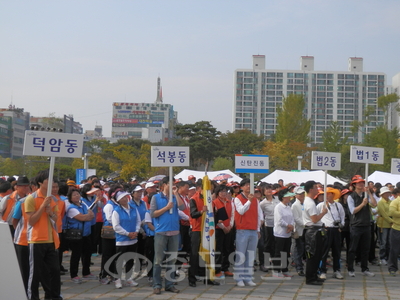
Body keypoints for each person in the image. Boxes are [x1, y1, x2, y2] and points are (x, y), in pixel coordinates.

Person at [25, 170, 62, 300]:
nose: (52, 183)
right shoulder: (31, 198)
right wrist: (42, 207)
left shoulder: (52, 198)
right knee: (35, 273)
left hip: (51, 240)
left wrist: (50, 212)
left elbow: (55, 217)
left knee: (54, 271)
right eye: (48, 180)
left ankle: (53, 296)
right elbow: (31, 221)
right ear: (40, 182)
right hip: (36, 240)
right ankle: (33, 297)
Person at [150, 176, 185, 295]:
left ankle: (169, 284)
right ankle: (157, 284)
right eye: (171, 184)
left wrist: (176, 195)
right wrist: (166, 208)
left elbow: (182, 207)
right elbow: (153, 214)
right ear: (164, 185)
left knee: (172, 259)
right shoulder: (156, 197)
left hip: (174, 232)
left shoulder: (175, 197)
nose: (173, 186)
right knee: (158, 260)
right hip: (161, 232)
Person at [234, 179, 263, 287]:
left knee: (251, 255)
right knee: (241, 255)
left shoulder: (256, 200)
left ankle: (248, 277)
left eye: (250, 185)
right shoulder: (237, 199)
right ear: (241, 187)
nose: (248, 187)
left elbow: (259, 215)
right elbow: (241, 211)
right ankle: (239, 278)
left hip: (253, 230)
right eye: (246, 185)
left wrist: (258, 229)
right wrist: (249, 201)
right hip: (242, 230)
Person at [347, 175, 377, 277]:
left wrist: (369, 193)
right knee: (353, 248)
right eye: (359, 183)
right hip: (356, 225)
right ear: (354, 184)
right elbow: (353, 211)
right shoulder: (351, 197)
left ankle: (365, 268)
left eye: (362, 182)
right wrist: (362, 204)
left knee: (366, 249)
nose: (361, 184)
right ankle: (350, 268)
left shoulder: (366, 195)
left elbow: (375, 204)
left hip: (366, 225)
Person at [112, 189, 141, 288]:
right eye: (122, 198)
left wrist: (136, 231)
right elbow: (116, 226)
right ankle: (117, 279)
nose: (125, 199)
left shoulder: (133, 208)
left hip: (133, 238)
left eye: (125, 197)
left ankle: (129, 278)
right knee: (119, 260)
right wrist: (127, 233)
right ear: (118, 200)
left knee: (131, 259)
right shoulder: (116, 211)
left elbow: (138, 221)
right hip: (122, 239)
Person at [66, 188, 95, 283]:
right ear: (70, 197)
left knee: (87, 254)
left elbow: (91, 215)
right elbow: (82, 218)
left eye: (77, 194)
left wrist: (86, 216)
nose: (77, 196)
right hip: (76, 235)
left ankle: (86, 272)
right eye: (74, 195)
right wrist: (86, 216)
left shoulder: (83, 205)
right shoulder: (71, 208)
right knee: (76, 255)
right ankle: (74, 275)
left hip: (86, 233)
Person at [302, 180, 328, 285]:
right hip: (312, 231)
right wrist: (323, 213)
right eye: (316, 187)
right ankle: (310, 278)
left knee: (317, 255)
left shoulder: (309, 201)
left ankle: (314, 275)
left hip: (314, 230)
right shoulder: (310, 202)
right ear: (311, 189)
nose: (318, 189)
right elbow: (314, 219)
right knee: (312, 255)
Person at [316, 187, 345, 280]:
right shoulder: (321, 205)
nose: (327, 196)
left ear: (333, 195)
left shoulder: (338, 205)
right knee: (324, 251)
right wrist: (321, 227)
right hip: (326, 230)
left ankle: (337, 270)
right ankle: (322, 270)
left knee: (337, 252)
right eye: (326, 194)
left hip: (336, 230)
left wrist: (341, 225)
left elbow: (342, 217)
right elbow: (316, 217)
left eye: (329, 194)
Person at [11, 176, 31, 294]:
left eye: (27, 185)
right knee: (23, 268)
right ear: (17, 187)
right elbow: (14, 220)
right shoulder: (20, 202)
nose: (26, 188)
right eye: (23, 186)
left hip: (33, 239)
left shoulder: (30, 199)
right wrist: (19, 231)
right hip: (22, 240)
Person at [272, 188, 295, 278]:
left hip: (287, 233)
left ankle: (285, 269)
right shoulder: (278, 207)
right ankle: (276, 270)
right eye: (287, 196)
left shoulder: (288, 207)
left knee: (286, 252)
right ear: (283, 197)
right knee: (278, 252)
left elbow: (292, 217)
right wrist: (288, 225)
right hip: (280, 233)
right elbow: (279, 220)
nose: (289, 198)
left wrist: (291, 226)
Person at [213, 184, 235, 278]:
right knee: (219, 249)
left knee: (227, 249)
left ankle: (225, 268)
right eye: (221, 191)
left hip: (229, 228)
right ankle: (217, 270)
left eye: (225, 191)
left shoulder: (229, 202)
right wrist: (223, 227)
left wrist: (230, 226)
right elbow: (215, 218)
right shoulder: (215, 202)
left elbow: (233, 215)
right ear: (218, 193)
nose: (224, 193)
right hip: (219, 229)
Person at [259, 184, 280, 271]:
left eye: (269, 189)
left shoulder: (278, 199)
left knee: (277, 244)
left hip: (278, 224)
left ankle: (276, 262)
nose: (269, 191)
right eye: (266, 190)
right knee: (268, 244)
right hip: (268, 225)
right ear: (263, 192)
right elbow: (260, 214)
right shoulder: (262, 203)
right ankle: (266, 261)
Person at [291, 186, 306, 276]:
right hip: (299, 230)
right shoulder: (294, 205)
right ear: (296, 195)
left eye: (303, 194)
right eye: (300, 194)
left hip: (306, 229)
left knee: (303, 250)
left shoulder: (305, 203)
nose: (302, 195)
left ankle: (301, 266)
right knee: (298, 250)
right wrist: (306, 224)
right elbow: (296, 219)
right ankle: (299, 268)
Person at [377, 186, 392, 266]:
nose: (387, 194)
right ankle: (382, 257)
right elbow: (384, 214)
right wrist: (391, 221)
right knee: (383, 242)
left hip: (391, 224)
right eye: (385, 193)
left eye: (388, 193)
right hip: (383, 224)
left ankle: (388, 257)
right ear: (382, 194)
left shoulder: (391, 202)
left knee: (390, 242)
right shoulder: (380, 202)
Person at [388, 188, 400, 275]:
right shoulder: (395, 201)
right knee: (394, 250)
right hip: (397, 229)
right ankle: (392, 268)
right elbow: (391, 212)